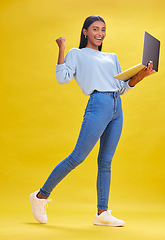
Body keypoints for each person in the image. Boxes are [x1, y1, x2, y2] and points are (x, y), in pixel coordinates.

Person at [29, 15, 155, 226]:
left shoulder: (112, 57)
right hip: (98, 103)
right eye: (95, 29)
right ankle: (40, 196)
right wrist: (61, 47)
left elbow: (122, 88)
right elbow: (63, 78)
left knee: (106, 161)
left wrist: (142, 75)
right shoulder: (76, 53)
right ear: (85, 31)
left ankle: (102, 213)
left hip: (116, 106)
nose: (100, 33)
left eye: (103, 29)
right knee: (77, 156)